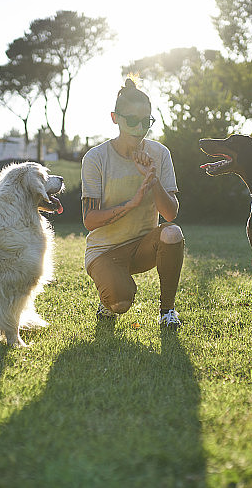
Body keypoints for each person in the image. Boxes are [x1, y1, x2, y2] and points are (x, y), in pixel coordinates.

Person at [80, 78, 184, 327]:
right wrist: (131, 203)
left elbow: (170, 214)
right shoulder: (95, 158)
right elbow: (89, 221)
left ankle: (167, 312)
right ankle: (111, 292)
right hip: (104, 251)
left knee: (172, 233)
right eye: (132, 121)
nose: (139, 128)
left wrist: (152, 178)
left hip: (142, 247)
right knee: (119, 304)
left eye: (145, 121)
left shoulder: (160, 153)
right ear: (115, 118)